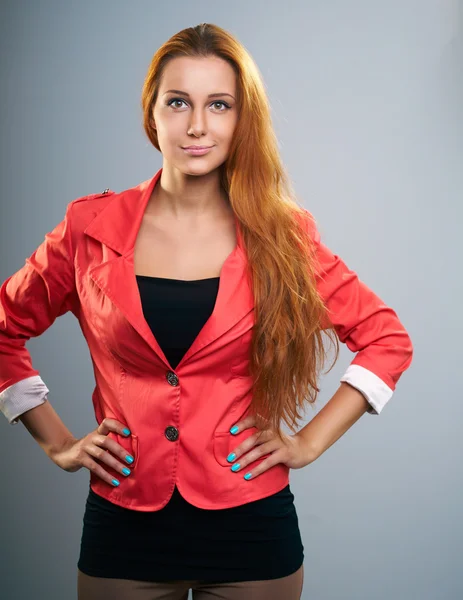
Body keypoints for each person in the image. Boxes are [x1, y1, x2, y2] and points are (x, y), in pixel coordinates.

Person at [0, 22, 413, 600]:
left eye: (219, 105)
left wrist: (307, 443)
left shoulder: (283, 237)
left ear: (242, 121)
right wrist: (56, 443)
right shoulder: (88, 228)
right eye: (179, 103)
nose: (197, 125)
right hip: (124, 521)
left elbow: (388, 339)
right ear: (152, 114)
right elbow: (3, 330)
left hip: (251, 528)